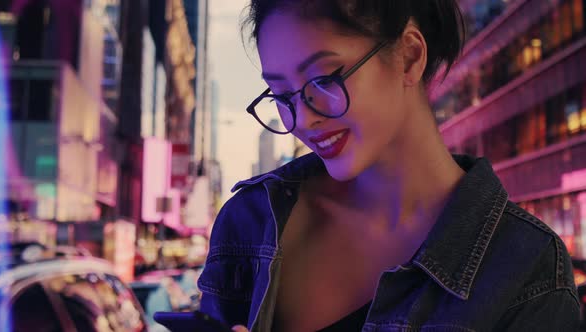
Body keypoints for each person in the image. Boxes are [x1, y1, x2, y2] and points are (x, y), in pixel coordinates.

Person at [197, 1, 580, 331]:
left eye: (323, 79)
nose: (300, 119)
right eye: (281, 95)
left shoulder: (527, 266)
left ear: (409, 56)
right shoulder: (250, 223)